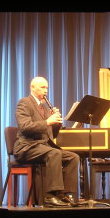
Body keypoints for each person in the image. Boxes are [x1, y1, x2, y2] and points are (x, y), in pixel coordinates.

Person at [13, 76, 80, 207]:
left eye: (47, 88)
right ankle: (50, 196)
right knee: (54, 154)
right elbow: (25, 127)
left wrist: (56, 123)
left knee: (73, 157)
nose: (46, 91)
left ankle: (65, 195)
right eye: (42, 87)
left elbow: (51, 134)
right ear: (32, 87)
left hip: (42, 147)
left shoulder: (46, 108)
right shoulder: (24, 103)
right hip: (26, 147)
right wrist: (47, 122)